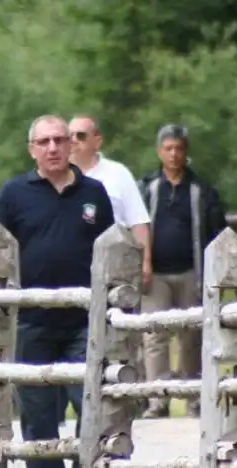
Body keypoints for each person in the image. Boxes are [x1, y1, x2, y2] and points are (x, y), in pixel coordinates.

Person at [0, 115, 115, 468]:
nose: (54, 147)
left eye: (60, 140)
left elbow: (112, 250)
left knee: (89, 408)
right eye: (45, 142)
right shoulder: (14, 193)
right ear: (32, 149)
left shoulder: (94, 193)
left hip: (84, 322)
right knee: (39, 415)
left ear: (73, 146)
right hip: (32, 321)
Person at [137, 124, 228, 419]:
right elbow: (136, 228)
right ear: (159, 151)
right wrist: (143, 263)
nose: (174, 154)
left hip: (192, 272)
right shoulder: (147, 188)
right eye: (168, 148)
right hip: (155, 274)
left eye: (179, 148)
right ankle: (158, 400)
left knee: (191, 337)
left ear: (186, 151)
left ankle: (193, 399)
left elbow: (218, 232)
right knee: (154, 337)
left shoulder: (201, 190)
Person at [68, 114, 153, 418]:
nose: (73, 142)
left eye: (79, 135)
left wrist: (145, 261)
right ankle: (84, 396)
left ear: (96, 140)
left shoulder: (117, 174)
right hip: (76, 269)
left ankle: (127, 395)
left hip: (117, 268)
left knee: (121, 333)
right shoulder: (61, 175)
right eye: (70, 136)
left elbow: (138, 221)